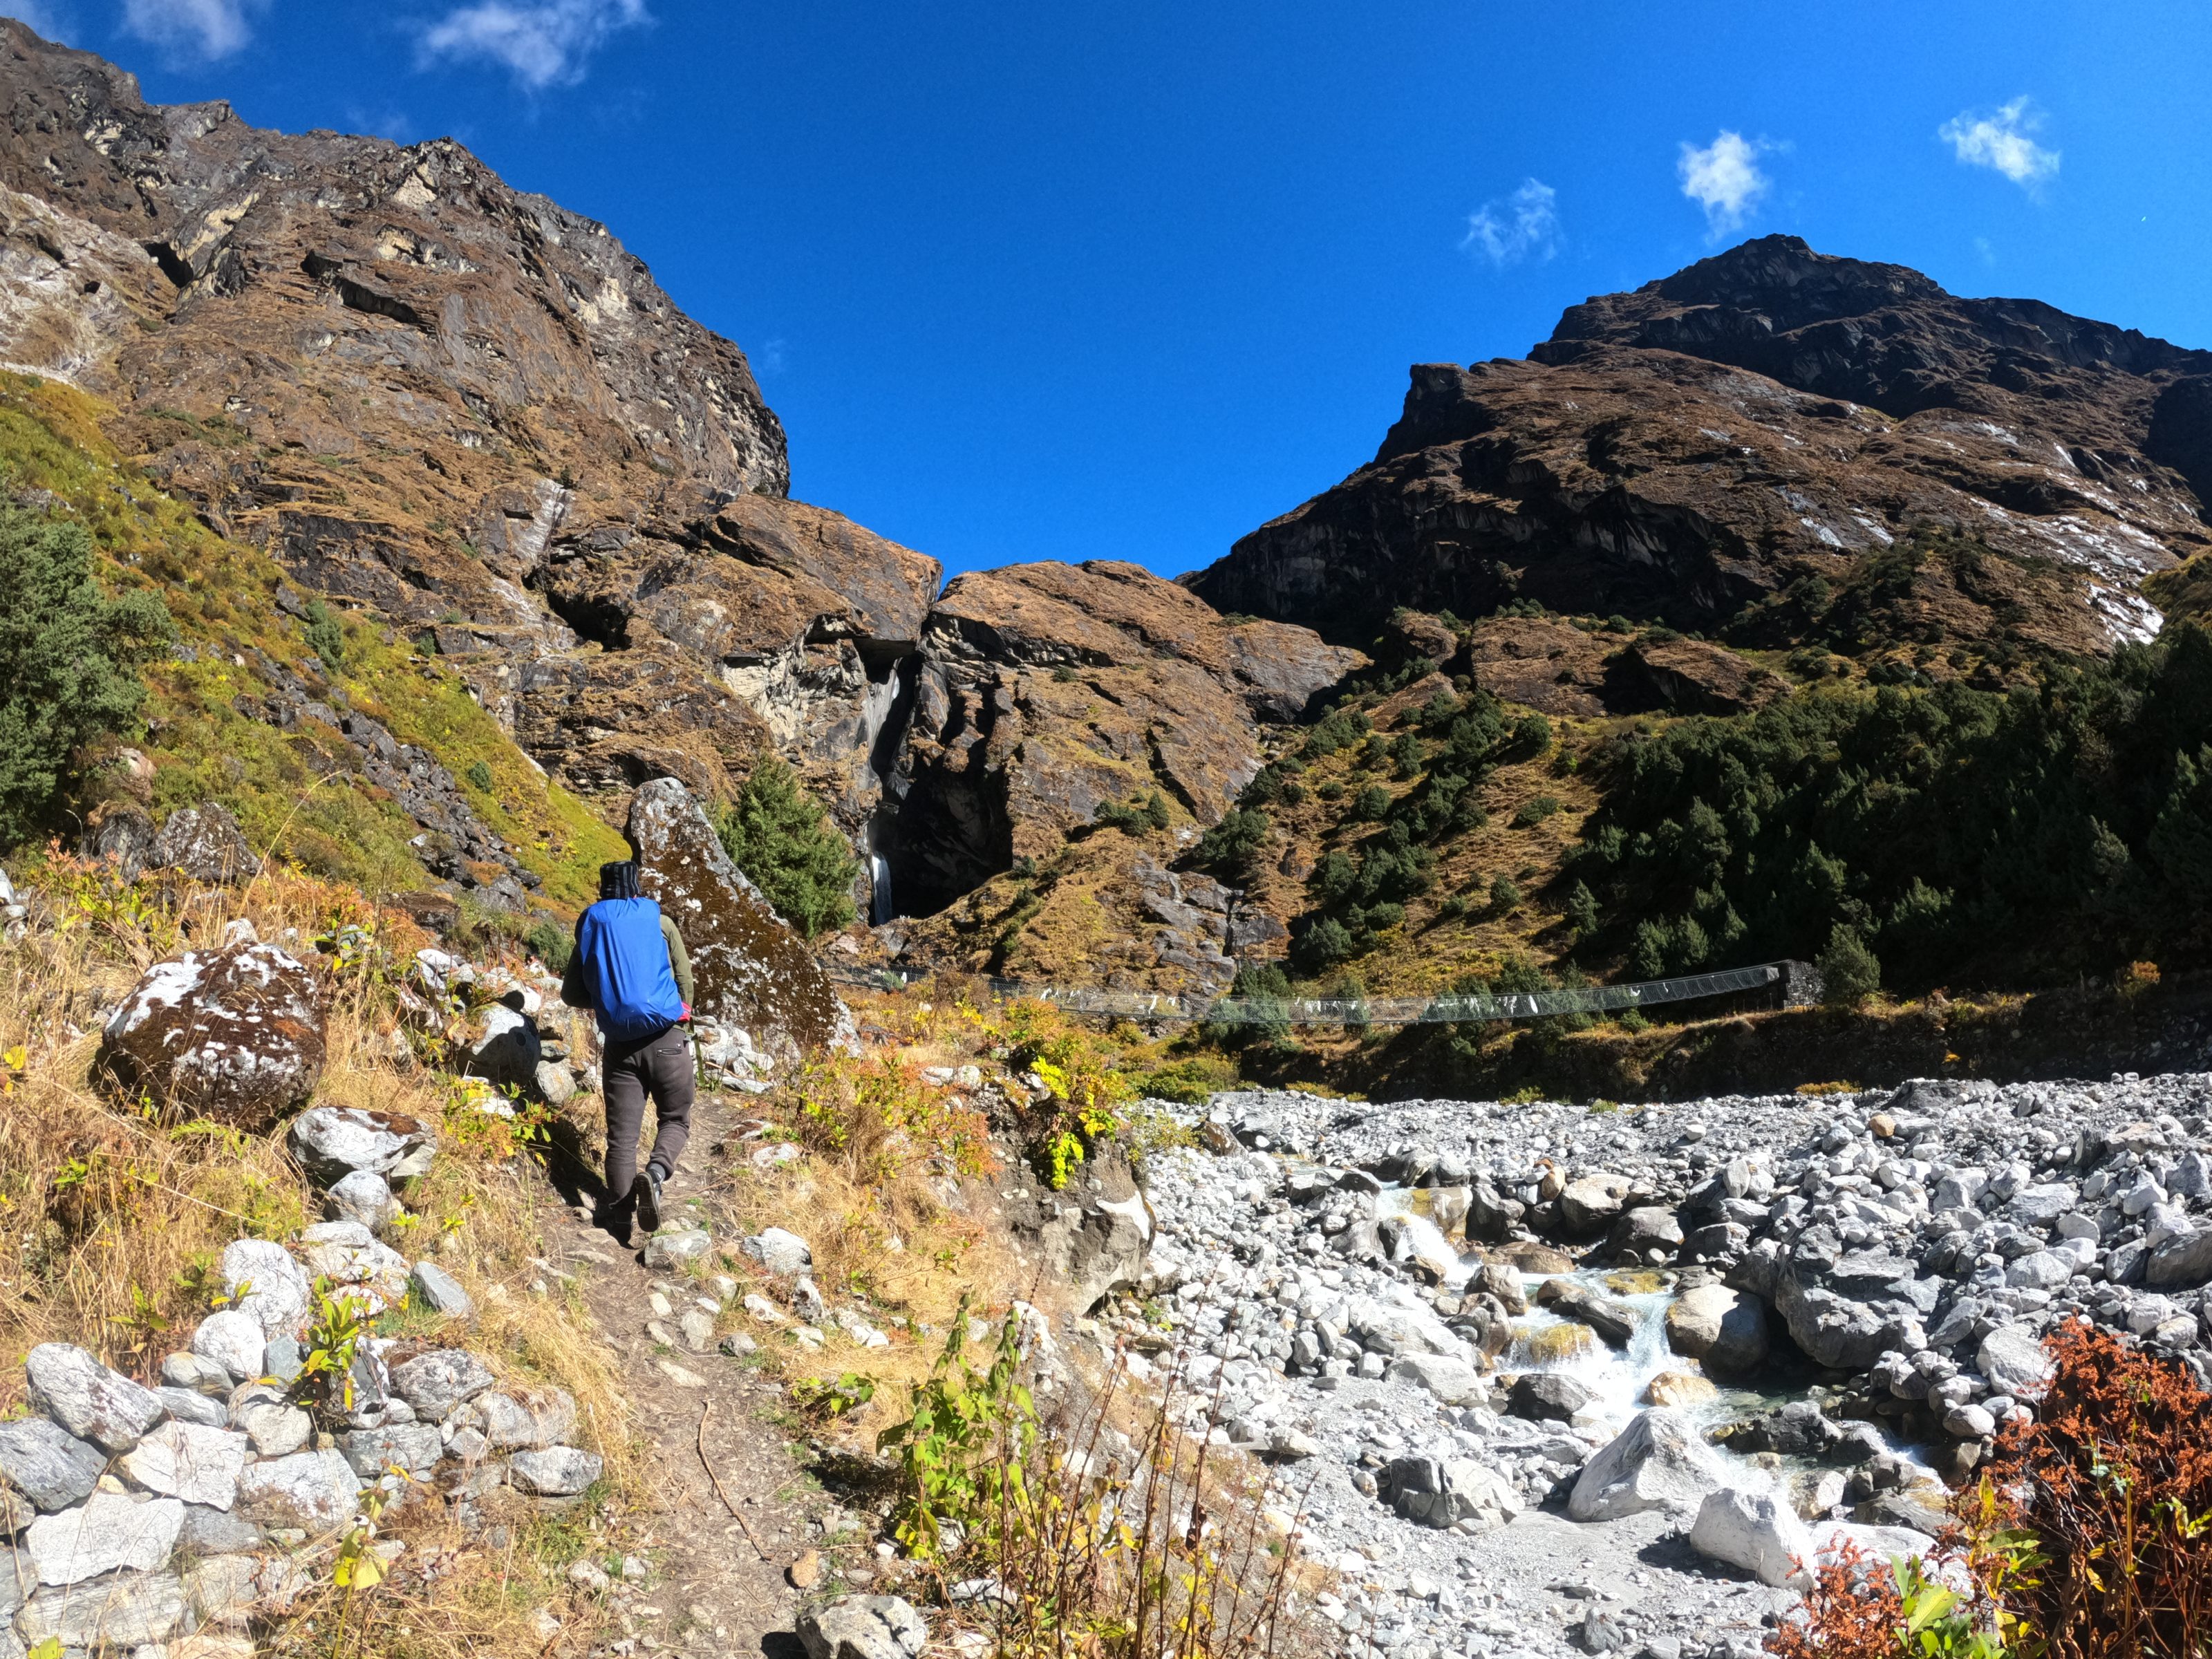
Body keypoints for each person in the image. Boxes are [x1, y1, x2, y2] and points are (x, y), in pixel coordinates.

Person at [561, 860, 695, 1236]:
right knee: (675, 1119)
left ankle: (621, 1219)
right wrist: (680, 1014)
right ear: (637, 888)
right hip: (668, 1039)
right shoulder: (660, 922)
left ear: (603, 891)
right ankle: (654, 1176)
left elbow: (571, 993)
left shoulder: (592, 924)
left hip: (620, 1046)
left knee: (622, 1137)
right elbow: (685, 979)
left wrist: (612, 1001)